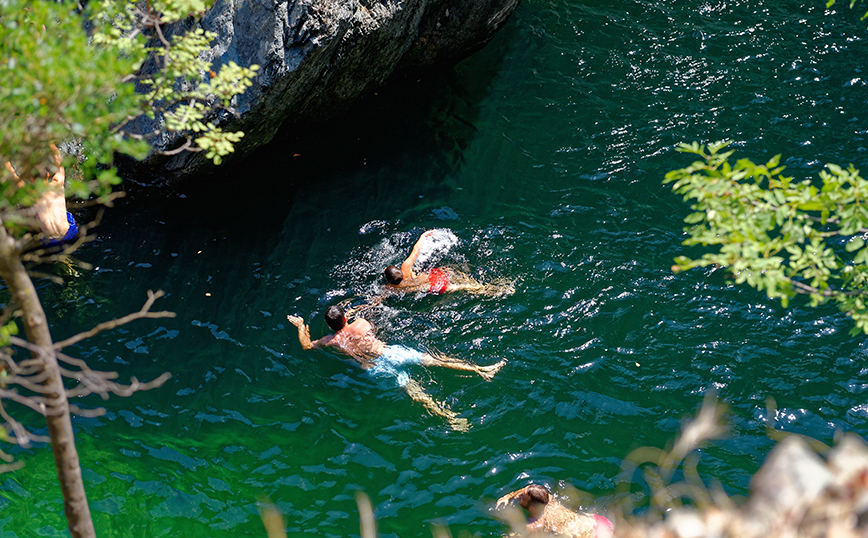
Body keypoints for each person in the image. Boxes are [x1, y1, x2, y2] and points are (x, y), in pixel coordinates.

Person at [287, 305, 506, 431]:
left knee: (412, 389)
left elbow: (307, 346)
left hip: (372, 367)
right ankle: (480, 369)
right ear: (345, 317)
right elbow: (366, 321)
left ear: (328, 326)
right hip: (388, 353)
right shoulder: (361, 323)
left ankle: (449, 417)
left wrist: (301, 327)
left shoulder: (331, 340)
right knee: (435, 360)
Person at [383, 230, 514, 296]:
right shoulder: (405, 267)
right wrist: (423, 236)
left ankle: (489, 291)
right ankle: (492, 286)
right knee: (459, 276)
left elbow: (379, 298)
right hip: (435, 276)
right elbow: (416, 250)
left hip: (435, 286)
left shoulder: (392, 289)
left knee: (463, 288)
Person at [3, 143, 79, 248]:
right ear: (48, 175)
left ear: (32, 179)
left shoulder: (30, 194)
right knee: (67, 215)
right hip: (70, 232)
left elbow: (12, 175)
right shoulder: (57, 185)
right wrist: (50, 143)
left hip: (51, 240)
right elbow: (59, 162)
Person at [496, 484, 614, 538]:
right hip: (598, 522)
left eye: (522, 497)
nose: (519, 495)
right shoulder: (548, 499)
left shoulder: (535, 525)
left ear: (531, 508)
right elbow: (529, 488)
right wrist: (508, 496)